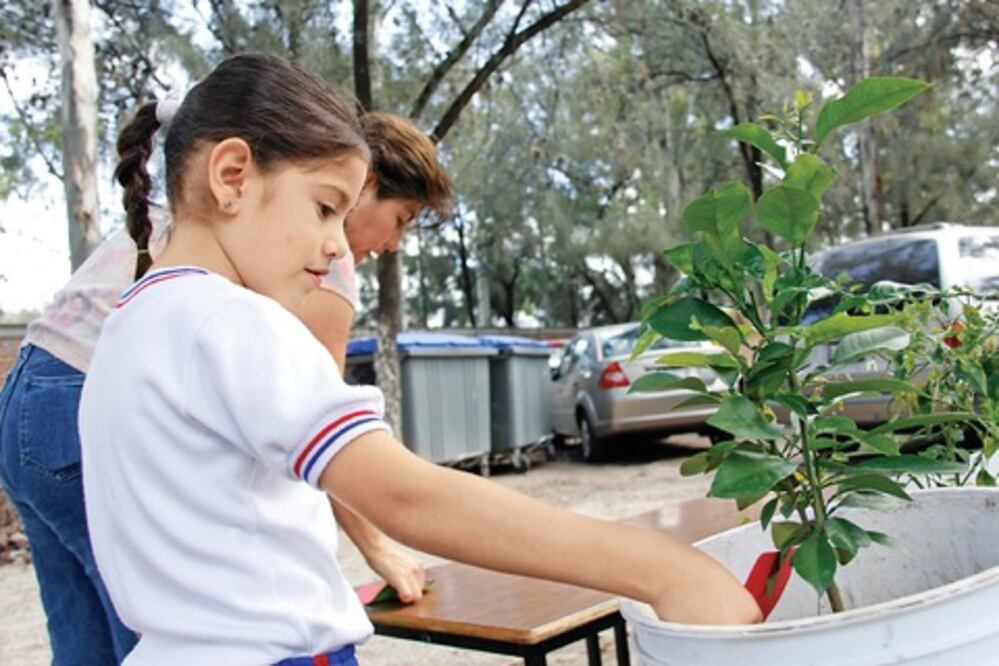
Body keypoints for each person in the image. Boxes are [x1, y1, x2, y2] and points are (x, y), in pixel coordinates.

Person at [78, 53, 759, 664]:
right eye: (322, 209)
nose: (333, 247)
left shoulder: (127, 328)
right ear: (231, 176)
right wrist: (666, 570)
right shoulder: (234, 321)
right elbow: (404, 494)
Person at [0, 99, 448, 663]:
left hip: (28, 399)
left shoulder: (198, 208)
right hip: (82, 404)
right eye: (401, 218)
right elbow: (327, 432)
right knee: (168, 618)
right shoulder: (313, 253)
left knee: (84, 639)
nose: (391, 243)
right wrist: (379, 546)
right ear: (365, 182)